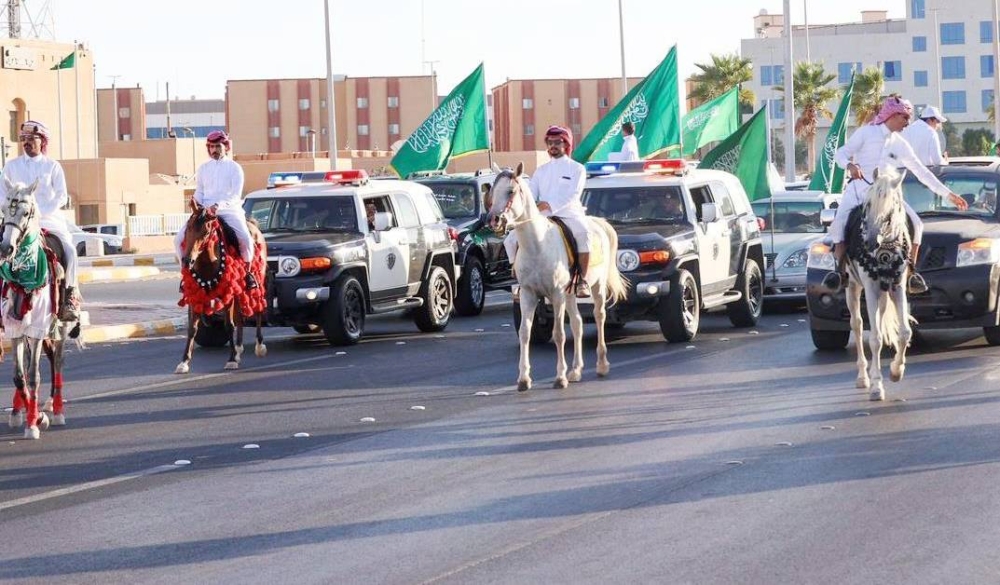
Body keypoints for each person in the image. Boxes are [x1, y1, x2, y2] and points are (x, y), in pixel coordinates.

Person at [824, 96, 968, 294]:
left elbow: (921, 171)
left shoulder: (901, 143)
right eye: (905, 117)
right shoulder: (866, 133)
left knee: (917, 224)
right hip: (858, 192)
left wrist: (948, 194)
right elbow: (841, 152)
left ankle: (911, 274)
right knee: (838, 227)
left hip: (888, 197)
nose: (908, 122)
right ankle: (839, 273)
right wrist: (849, 165)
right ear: (892, 115)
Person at [0, 120, 81, 323]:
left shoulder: (52, 166)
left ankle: (69, 297)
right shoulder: (11, 167)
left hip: (49, 220)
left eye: (31, 138)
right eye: (23, 139)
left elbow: (61, 195)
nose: (26, 142)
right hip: (17, 223)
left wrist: (40, 213)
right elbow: (2, 195)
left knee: (70, 251)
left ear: (42, 141)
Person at [173, 130, 258, 288]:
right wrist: (195, 202)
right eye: (211, 147)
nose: (214, 150)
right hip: (205, 212)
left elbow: (234, 195)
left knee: (246, 240)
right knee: (177, 240)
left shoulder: (235, 168)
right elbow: (200, 191)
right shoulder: (204, 168)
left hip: (229, 210)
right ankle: (184, 276)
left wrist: (218, 206)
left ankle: (248, 273)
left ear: (225, 147)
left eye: (218, 146)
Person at [524, 125, 591, 297]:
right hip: (544, 217)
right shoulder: (541, 170)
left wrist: (549, 204)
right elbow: (531, 193)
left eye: (557, 142)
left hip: (569, 214)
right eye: (549, 142)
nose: (553, 145)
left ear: (566, 144)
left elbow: (573, 194)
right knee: (512, 239)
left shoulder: (577, 168)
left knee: (583, 234)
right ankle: (520, 279)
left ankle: (582, 280)